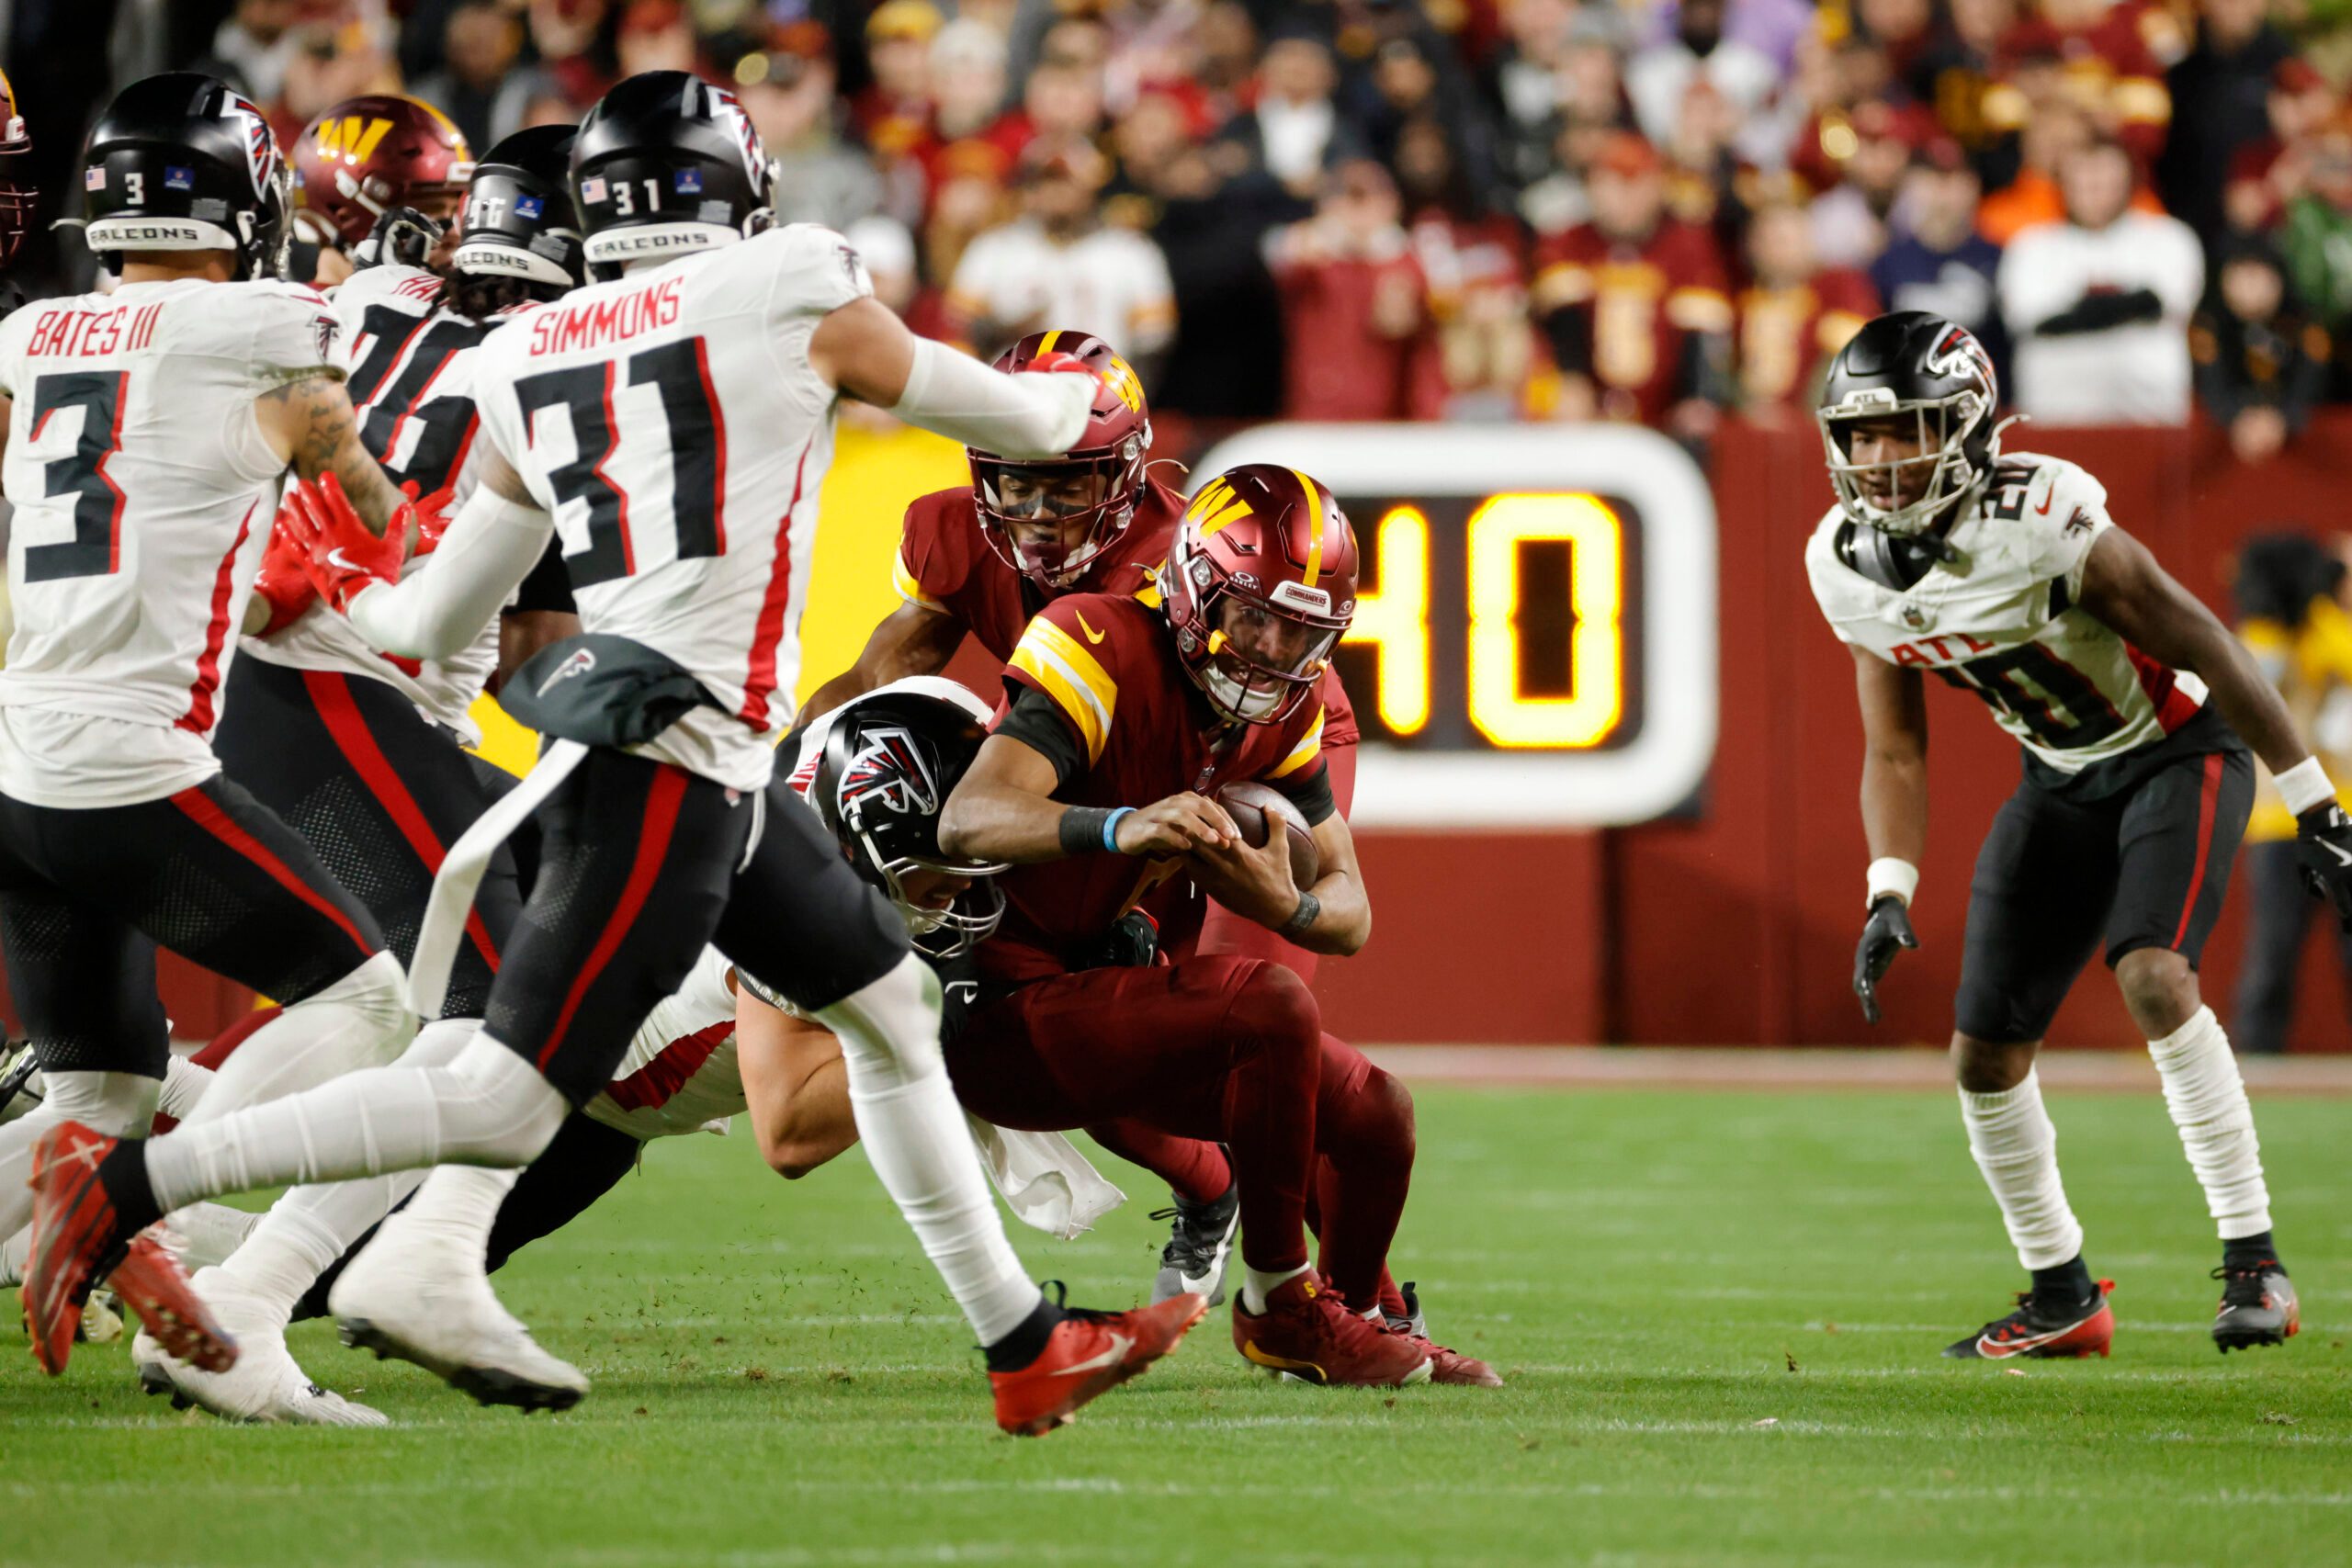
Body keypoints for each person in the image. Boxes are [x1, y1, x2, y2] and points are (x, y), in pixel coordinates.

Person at [23, 70, 1204, 1441]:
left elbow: (430, 620)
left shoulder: (528, 355)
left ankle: (1024, 1342)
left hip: (707, 755)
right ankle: (128, 1191)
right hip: (673, 757)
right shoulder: (789, 281)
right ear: (737, 185)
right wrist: (1089, 417)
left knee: (889, 1008)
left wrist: (328, 587)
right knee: (497, 1088)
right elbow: (1018, 422)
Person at [136, 126, 591, 1425]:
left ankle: (160, 1222)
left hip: (237, 671)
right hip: (335, 686)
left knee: (386, 999)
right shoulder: (567, 371)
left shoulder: (369, 299)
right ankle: (244, 1295)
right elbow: (508, 641)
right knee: (498, 1007)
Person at [1813, 310, 2349, 1360]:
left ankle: (2255, 1262)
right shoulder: (1843, 563)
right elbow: (1895, 751)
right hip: (2061, 777)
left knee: (2152, 973)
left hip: (2176, 748)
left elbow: (2205, 638)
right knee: (1982, 1054)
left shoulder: (2043, 514)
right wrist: (1889, 886)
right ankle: (2060, 1292)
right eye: (1861, 436)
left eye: (1906, 430)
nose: (1879, 461)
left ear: (1967, 426)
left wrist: (2319, 804)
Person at [796, 327, 1366, 1297]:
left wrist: (1136, 886)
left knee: (1255, 1036)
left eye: (1070, 481)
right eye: (1015, 478)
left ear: (1131, 469)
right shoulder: (950, 529)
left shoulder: (1175, 567)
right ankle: (1208, 1193)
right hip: (1098, 777)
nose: (1038, 507)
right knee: (1071, 1028)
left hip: (1244, 747)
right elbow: (879, 675)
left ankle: (1354, 1296)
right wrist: (795, 758)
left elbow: (1197, 733)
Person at [0, 73, 425, 1374]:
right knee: (372, 1002)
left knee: (100, 1089)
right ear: (239, 196)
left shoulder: (30, 336)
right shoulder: (268, 321)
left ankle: (166, 1288)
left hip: (17, 761)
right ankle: (132, 1201)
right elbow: (373, 509)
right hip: (132, 759)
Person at [936, 463, 1442, 1388]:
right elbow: (968, 819)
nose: (1274, 649)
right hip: (1000, 1002)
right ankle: (1277, 1304)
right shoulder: (1097, 638)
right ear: (1195, 589)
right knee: (1269, 1004)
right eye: (1257, 616)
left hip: (1104, 988)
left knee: (1378, 1116)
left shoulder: (1284, 705)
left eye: (1302, 630)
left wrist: (1279, 900)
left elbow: (1348, 913)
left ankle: (1365, 1319)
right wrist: (1121, 825)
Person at [2229, 535, 2352, 1056]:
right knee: (2273, 951)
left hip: (2343, 814)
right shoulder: (2262, 634)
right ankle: (2257, 1062)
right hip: (2283, 822)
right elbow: (2262, 684)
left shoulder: (2332, 629)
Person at [1996, 136, 2204, 424]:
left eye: (2106, 176)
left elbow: (2167, 304)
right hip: (2054, 419)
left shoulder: (2169, 238)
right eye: (2084, 176)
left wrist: (2074, 312)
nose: (2094, 186)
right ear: (2061, 183)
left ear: (2131, 181)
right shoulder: (2031, 246)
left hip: (2149, 417)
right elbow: (2029, 319)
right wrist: (2129, 305)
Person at [288, 94, 475, 287]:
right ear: (344, 217)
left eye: (455, 211)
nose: (454, 235)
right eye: (428, 214)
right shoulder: (303, 315)